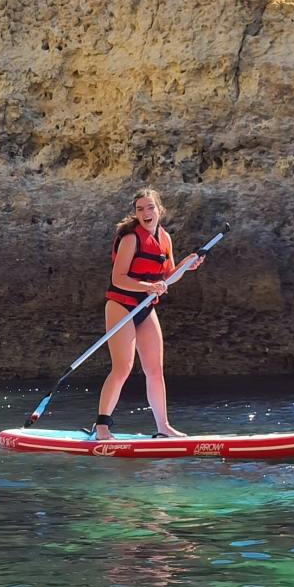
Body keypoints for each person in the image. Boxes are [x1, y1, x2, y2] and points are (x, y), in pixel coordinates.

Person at [93, 187, 205, 441]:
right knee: (123, 367)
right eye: (140, 209)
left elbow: (166, 278)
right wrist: (148, 287)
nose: (146, 213)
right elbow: (118, 278)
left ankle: (163, 427)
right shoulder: (131, 238)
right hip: (121, 305)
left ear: (159, 210)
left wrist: (185, 266)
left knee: (155, 369)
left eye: (150, 207)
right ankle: (102, 428)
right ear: (135, 213)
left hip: (145, 307)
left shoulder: (165, 238)